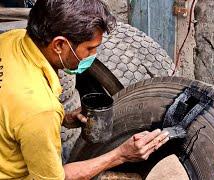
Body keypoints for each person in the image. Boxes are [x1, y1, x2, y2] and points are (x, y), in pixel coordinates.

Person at [0, 0, 169, 179]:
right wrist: (121, 155)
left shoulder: (12, 39)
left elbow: (13, 116)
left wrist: (64, 118)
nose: (93, 55)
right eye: (89, 48)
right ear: (58, 45)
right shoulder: (40, 110)